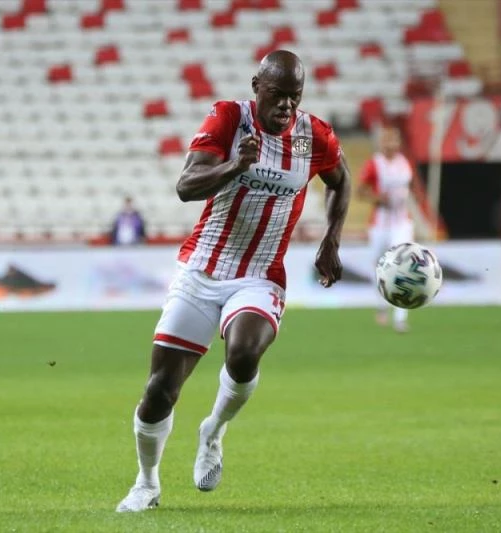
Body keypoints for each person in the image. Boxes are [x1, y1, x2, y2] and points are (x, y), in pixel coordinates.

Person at [116, 50, 351, 512]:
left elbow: (340, 181)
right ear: (257, 87)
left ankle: (214, 430)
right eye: (278, 94)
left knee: (243, 353)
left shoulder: (314, 135)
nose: (287, 105)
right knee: (159, 390)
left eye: (295, 96)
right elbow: (186, 186)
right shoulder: (228, 118)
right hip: (203, 268)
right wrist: (234, 167)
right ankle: (147, 483)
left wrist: (331, 240)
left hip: (261, 274)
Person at [357, 124, 416, 333]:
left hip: (401, 223)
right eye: (387, 140)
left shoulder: (405, 163)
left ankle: (400, 317)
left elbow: (408, 190)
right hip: (380, 224)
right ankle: (382, 305)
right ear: (381, 143)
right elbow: (360, 191)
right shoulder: (374, 164)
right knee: (381, 267)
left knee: (403, 266)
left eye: (394, 140)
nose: (390, 144)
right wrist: (377, 198)